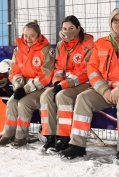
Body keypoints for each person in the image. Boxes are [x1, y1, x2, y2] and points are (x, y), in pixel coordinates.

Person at [59, 8, 119, 165]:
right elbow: (92, 69)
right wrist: (104, 89)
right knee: (83, 98)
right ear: (110, 23)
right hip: (106, 89)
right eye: (116, 20)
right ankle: (77, 145)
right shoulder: (100, 43)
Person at [0, 20, 55, 147]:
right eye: (25, 35)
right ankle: (8, 134)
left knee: (23, 103)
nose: (28, 39)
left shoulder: (46, 50)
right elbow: (14, 71)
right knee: (11, 103)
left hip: (42, 89)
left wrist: (25, 89)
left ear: (38, 35)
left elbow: (45, 76)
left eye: (32, 35)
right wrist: (18, 86)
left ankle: (21, 137)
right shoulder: (18, 50)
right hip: (24, 88)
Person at [39, 15, 94, 153]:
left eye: (71, 28)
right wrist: (57, 82)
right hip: (63, 83)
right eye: (64, 28)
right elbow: (58, 68)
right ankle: (50, 136)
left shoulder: (89, 45)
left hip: (84, 83)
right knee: (46, 95)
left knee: (62, 96)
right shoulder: (60, 45)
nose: (67, 31)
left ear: (78, 28)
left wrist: (64, 85)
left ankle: (64, 138)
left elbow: (86, 71)